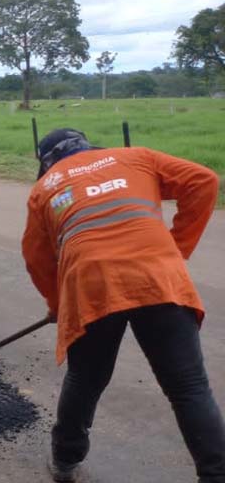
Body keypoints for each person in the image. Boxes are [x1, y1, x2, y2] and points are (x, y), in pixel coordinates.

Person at [22, 128, 225, 482]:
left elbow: (36, 259)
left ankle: (65, 463)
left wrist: (57, 304)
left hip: (91, 285)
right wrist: (176, 250)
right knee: (189, 387)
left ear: (47, 162)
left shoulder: (44, 188)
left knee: (85, 379)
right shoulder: (136, 157)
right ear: (87, 146)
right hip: (157, 277)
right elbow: (203, 181)